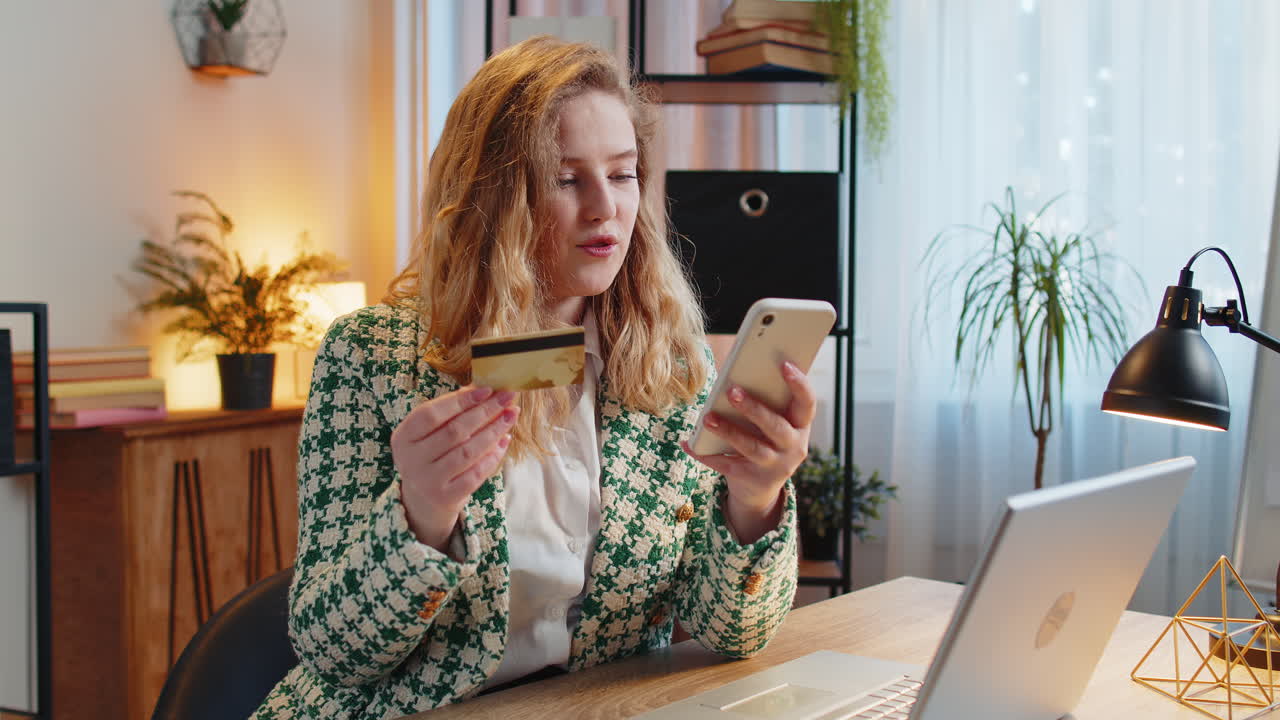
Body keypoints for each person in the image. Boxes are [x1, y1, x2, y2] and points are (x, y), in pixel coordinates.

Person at [253, 35, 815, 719]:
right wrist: (422, 518)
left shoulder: (668, 364)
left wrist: (755, 501)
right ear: (491, 195)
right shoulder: (373, 358)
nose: (605, 207)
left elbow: (734, 633)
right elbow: (332, 649)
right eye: (567, 178)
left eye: (623, 173)